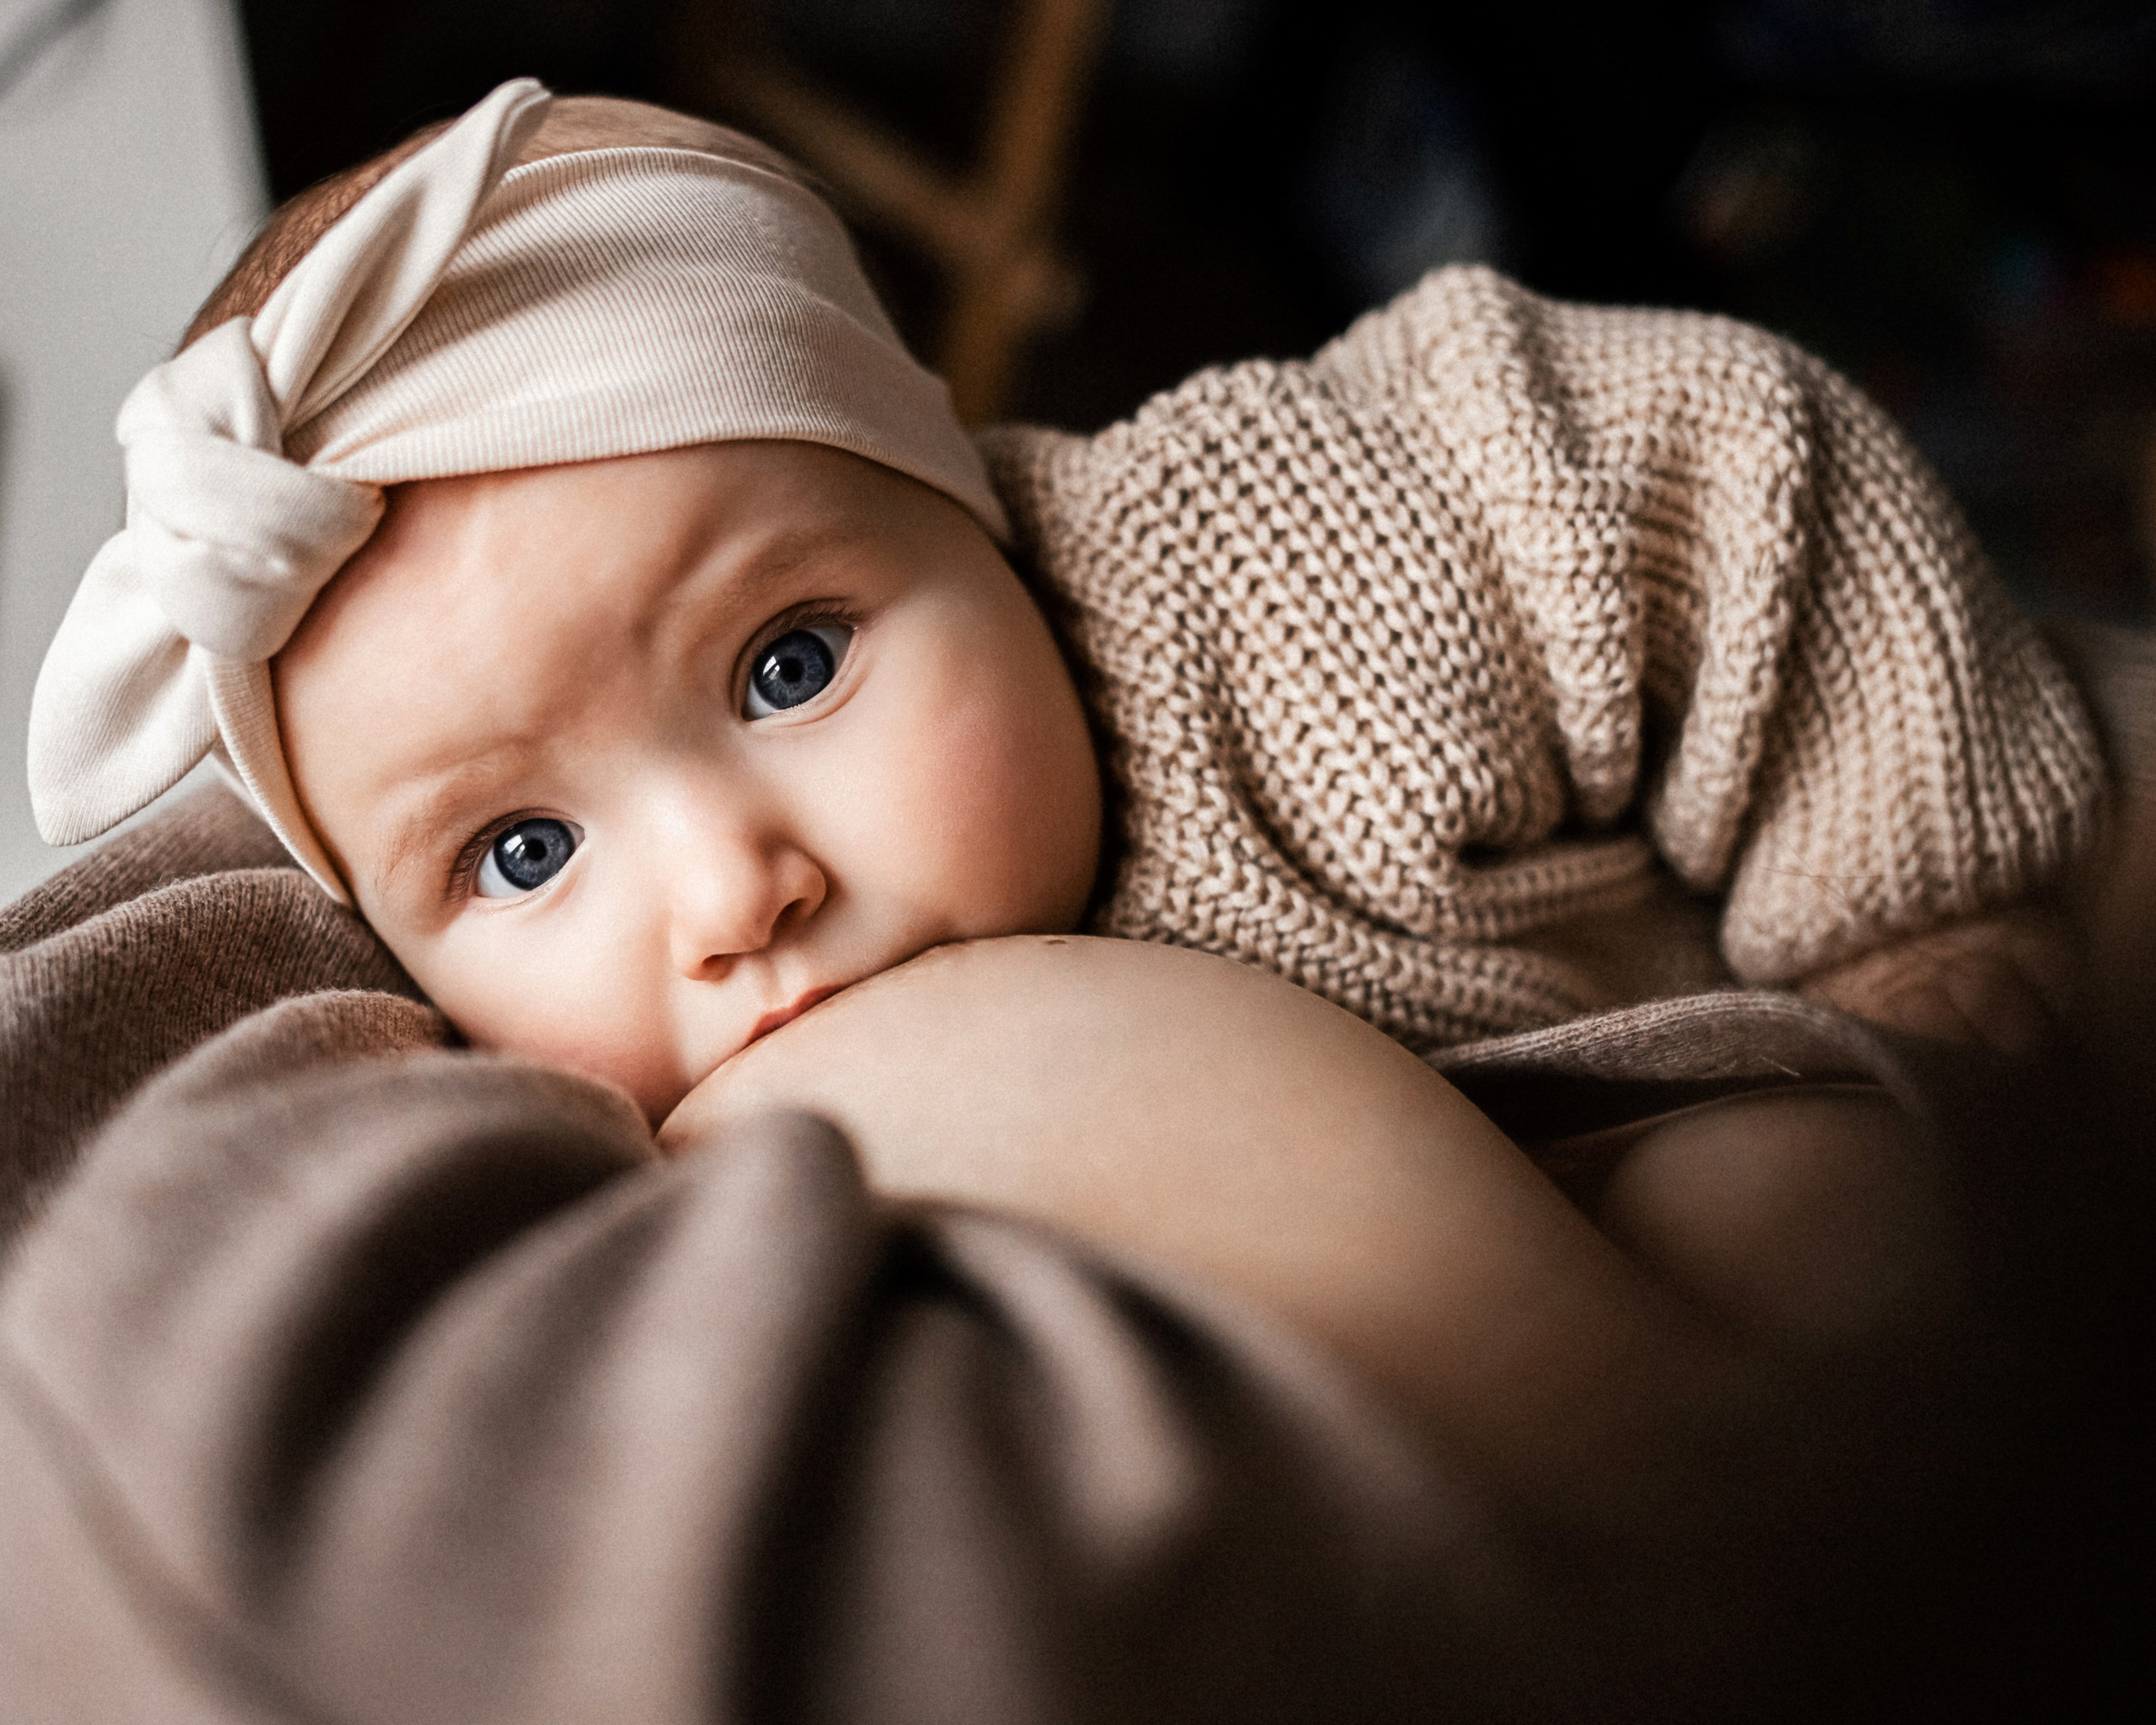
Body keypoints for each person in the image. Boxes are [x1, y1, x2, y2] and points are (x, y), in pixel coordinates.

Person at [20, 79, 2101, 1495]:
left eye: (788, 663)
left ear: (958, 498)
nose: (731, 892)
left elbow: (1718, 456)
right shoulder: (609, 1158)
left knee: (1852, 1229)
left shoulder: (1280, 567)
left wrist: (1903, 902)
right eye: (524, 851)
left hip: (1698, 1082)